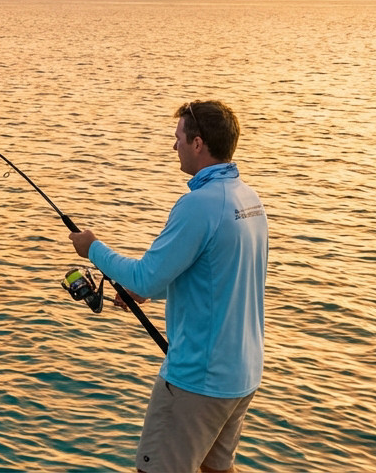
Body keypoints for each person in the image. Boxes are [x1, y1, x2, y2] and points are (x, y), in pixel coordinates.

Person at [69, 100, 267, 473]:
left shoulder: (200, 205)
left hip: (198, 381)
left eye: (178, 137)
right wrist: (151, 292)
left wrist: (92, 248)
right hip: (242, 373)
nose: (173, 145)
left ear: (198, 143)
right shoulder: (248, 200)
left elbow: (146, 274)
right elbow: (211, 274)